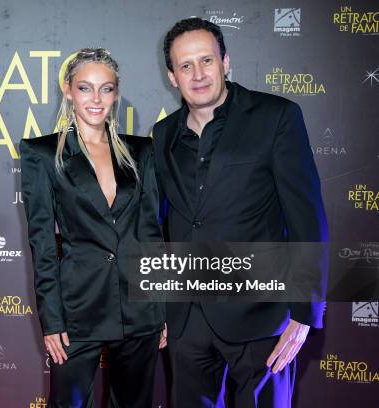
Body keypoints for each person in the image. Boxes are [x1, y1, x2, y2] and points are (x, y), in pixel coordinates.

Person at [152, 18, 328, 408]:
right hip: (188, 317)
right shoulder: (163, 135)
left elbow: (306, 216)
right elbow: (165, 225)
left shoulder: (276, 117)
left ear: (226, 61)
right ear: (171, 76)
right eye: (185, 66)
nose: (198, 75)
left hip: (261, 315)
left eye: (206, 61)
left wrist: (304, 312)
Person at [20, 48, 166, 408]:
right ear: (69, 90)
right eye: (86, 88)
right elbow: (41, 242)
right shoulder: (42, 154)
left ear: (116, 93)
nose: (96, 99)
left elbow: (151, 234)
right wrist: (52, 320)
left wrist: (161, 309)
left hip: (138, 307)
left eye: (106, 88)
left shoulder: (141, 152)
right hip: (76, 309)